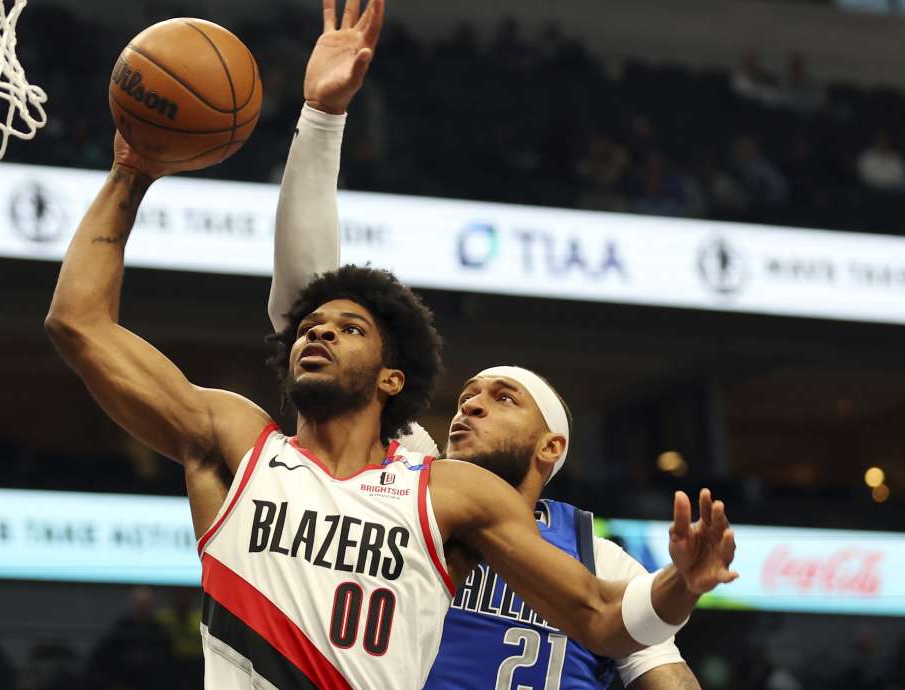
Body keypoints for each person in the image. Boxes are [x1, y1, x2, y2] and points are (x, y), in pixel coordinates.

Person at [45, 2, 736, 687]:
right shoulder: (234, 442)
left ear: (391, 379)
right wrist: (131, 174)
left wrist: (682, 584)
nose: (318, 331)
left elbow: (599, 615)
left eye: (350, 330)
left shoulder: (446, 493)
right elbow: (80, 325)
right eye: (312, 328)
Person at [266, 3, 709, 688]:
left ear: (550, 448)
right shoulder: (408, 470)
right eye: (467, 395)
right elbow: (306, 301)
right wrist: (322, 120)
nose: (467, 408)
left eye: (502, 399)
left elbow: (662, 669)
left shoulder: (599, 557)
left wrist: (681, 584)